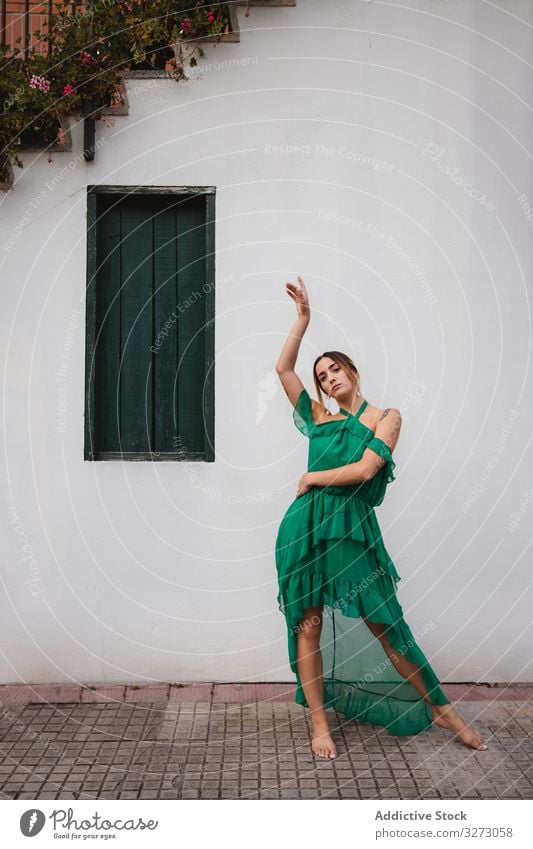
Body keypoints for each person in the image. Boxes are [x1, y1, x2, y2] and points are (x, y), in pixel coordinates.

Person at [275, 276, 488, 760]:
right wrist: (303, 319)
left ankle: (441, 708)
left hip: (351, 531)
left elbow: (368, 468)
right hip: (304, 529)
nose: (329, 379)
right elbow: (283, 369)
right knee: (306, 625)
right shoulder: (318, 418)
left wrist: (312, 478)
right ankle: (319, 721)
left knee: (386, 624)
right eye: (322, 376)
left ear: (351, 371)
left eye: (334, 369)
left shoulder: (385, 417)